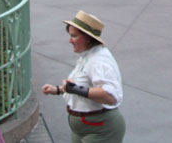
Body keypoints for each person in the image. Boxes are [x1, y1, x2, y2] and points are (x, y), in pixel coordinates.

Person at [41, 11, 125, 143]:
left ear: (87, 38)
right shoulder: (87, 56)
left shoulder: (99, 60)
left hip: (100, 130)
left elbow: (111, 96)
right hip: (84, 128)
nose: (70, 40)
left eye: (74, 36)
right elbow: (80, 84)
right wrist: (57, 89)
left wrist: (74, 89)